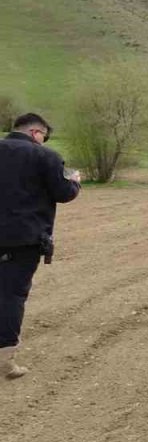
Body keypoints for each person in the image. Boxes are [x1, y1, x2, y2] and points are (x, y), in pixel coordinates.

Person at [0, 113, 81, 379]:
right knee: (12, 295)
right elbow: (63, 193)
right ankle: (5, 359)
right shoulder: (45, 156)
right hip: (24, 238)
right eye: (44, 137)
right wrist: (75, 182)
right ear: (37, 132)